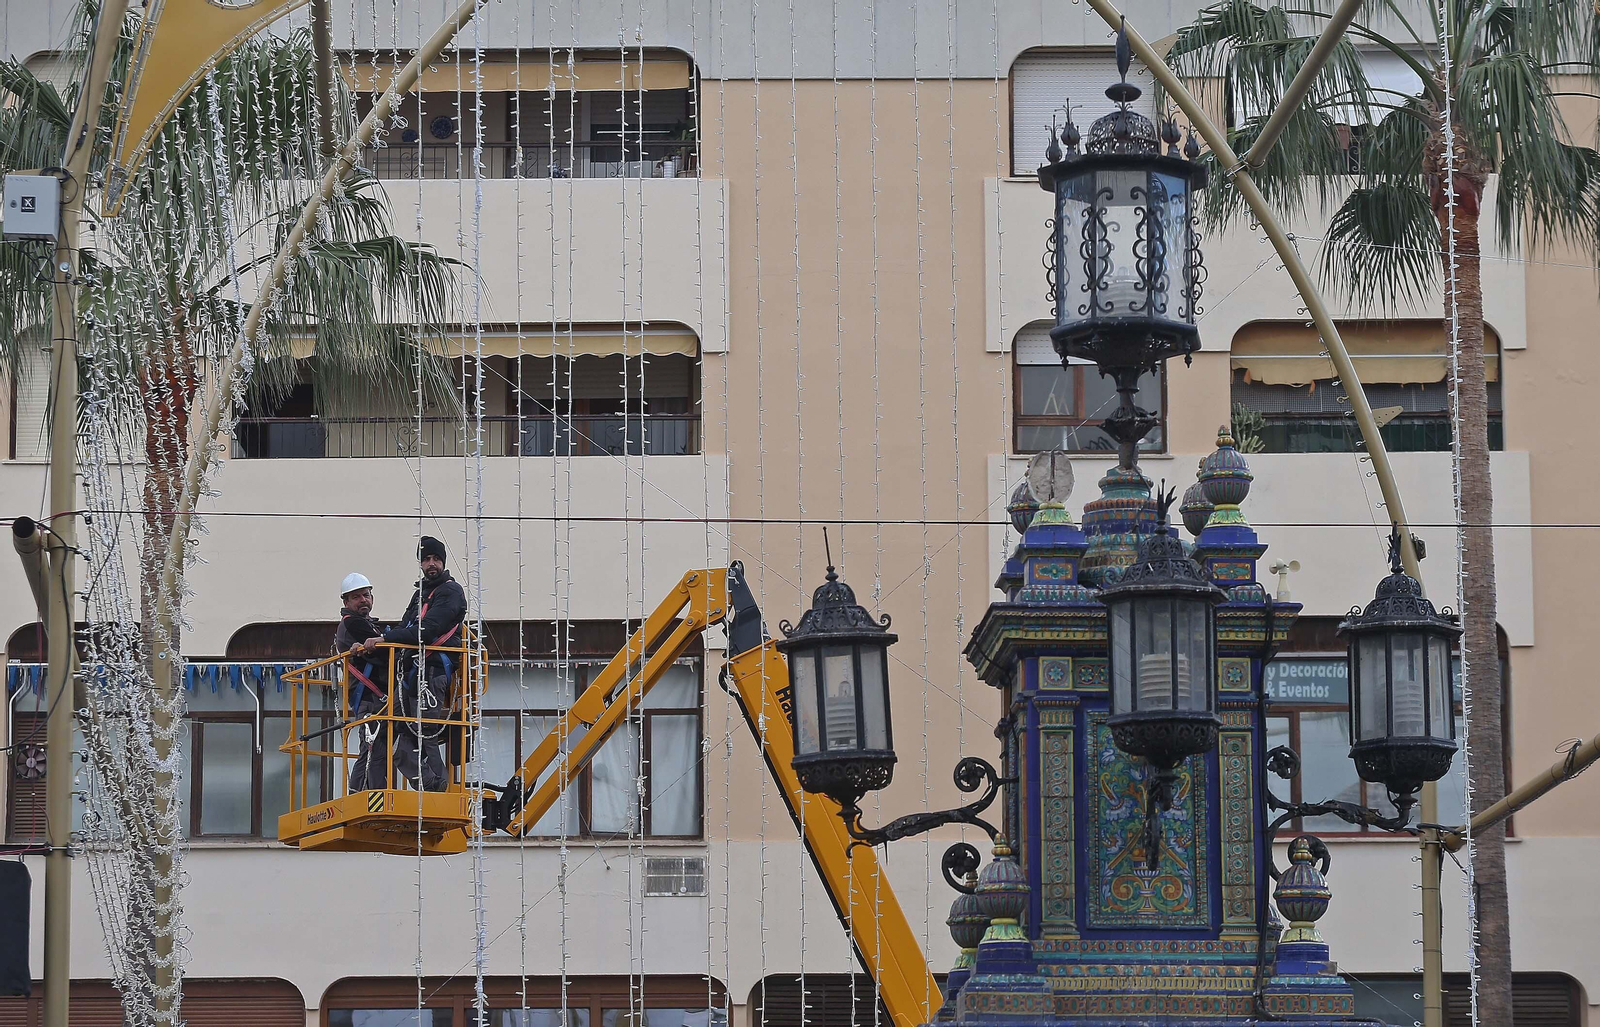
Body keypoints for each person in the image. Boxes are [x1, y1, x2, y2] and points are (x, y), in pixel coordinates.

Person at [355, 536, 466, 791]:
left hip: (434, 672)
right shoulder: (420, 595)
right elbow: (407, 626)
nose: (431, 564)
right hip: (412, 675)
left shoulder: (450, 592)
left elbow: (427, 630)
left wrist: (384, 638)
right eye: (426, 559)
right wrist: (368, 647)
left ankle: (438, 790)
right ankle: (419, 783)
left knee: (426, 733)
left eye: (436, 559)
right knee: (384, 727)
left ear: (443, 561)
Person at [334, 573, 389, 792]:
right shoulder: (353, 624)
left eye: (366, 595)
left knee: (375, 747)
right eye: (356, 597)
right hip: (368, 696)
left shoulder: (367, 625)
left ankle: (363, 792)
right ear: (346, 602)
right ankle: (366, 794)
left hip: (372, 696)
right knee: (372, 747)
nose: (363, 600)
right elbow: (383, 657)